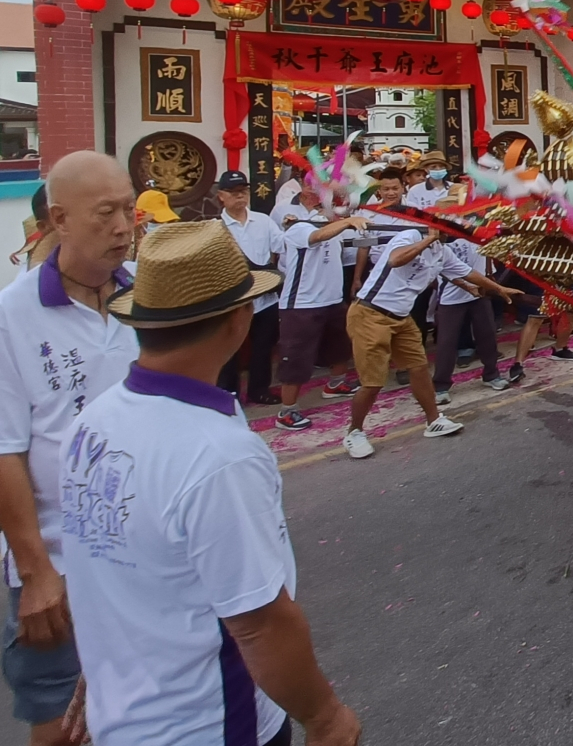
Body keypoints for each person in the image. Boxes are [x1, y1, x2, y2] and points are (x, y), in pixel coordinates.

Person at [64, 220, 360, 746]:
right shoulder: (218, 455)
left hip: (122, 718)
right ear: (239, 319)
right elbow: (259, 623)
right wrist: (325, 716)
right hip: (208, 723)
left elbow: (110, 568)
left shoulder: (93, 422)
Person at [0, 153, 138, 746]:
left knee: (147, 709)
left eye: (130, 209)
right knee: (62, 726)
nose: (124, 227)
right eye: (105, 213)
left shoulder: (148, 297)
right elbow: (5, 451)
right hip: (61, 563)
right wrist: (35, 573)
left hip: (146, 553)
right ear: (59, 218)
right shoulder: (12, 316)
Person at [342, 225, 516, 459]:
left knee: (419, 369)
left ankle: (434, 420)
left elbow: (465, 273)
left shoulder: (443, 251)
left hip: (402, 318)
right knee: (373, 382)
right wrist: (427, 241)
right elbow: (395, 260)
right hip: (371, 315)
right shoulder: (409, 236)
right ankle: (355, 432)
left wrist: (497, 288)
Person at [273, 187, 368, 431]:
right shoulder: (299, 227)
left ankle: (336, 384)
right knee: (296, 358)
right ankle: (287, 411)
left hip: (332, 299)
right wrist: (347, 222)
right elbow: (317, 238)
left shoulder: (335, 226)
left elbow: (360, 241)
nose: (341, 209)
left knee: (340, 347)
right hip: (302, 304)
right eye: (336, 205)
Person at [215, 171, 286, 408]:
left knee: (263, 347)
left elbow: (282, 245)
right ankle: (229, 393)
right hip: (233, 299)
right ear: (221, 196)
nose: (240, 197)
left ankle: (259, 389)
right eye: (234, 193)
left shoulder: (263, 221)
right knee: (229, 350)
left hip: (264, 297)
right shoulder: (215, 228)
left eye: (243, 192)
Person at [432, 236, 515, 405]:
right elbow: (442, 270)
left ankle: (492, 374)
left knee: (487, 335)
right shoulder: (444, 239)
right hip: (451, 298)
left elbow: (487, 265)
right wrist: (466, 286)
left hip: (480, 295)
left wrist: (493, 285)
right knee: (447, 342)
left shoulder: (480, 236)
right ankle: (441, 386)